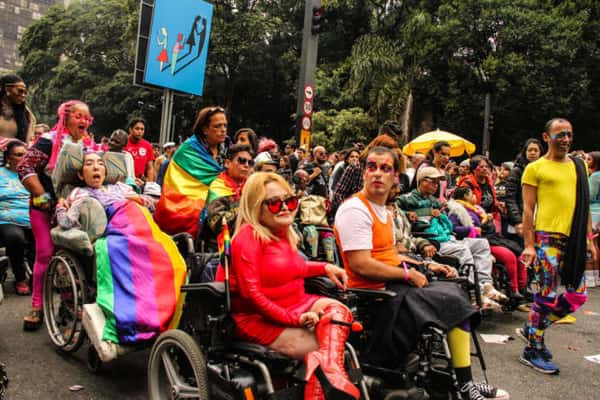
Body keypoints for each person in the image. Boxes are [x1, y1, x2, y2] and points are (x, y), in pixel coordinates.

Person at [335, 147, 509, 400]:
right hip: (375, 293)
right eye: (371, 167)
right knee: (451, 299)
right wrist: (408, 275)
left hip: (391, 283)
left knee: (456, 288)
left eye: (385, 168)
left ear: (396, 177)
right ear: (363, 173)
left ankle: (461, 379)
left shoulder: (383, 210)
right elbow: (362, 265)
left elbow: (391, 255)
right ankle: (463, 384)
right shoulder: (355, 210)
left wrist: (427, 266)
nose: (377, 174)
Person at [217, 172, 359, 400]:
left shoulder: (282, 233)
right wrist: (294, 320)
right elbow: (252, 295)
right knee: (324, 343)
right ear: (256, 207)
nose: (284, 208)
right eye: (273, 203)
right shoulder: (248, 237)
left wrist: (324, 268)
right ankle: (328, 375)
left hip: (295, 303)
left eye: (289, 200)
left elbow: (294, 268)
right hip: (258, 318)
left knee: (340, 312)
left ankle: (326, 373)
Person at [55, 152, 186, 343]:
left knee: (172, 261)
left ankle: (163, 318)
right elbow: (67, 223)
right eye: (89, 164)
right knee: (123, 259)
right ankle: (135, 322)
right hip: (115, 230)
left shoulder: (120, 187)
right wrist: (60, 206)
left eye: (100, 163)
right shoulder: (79, 193)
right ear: (81, 175)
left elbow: (150, 205)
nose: (96, 167)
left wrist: (140, 200)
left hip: (142, 226)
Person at [517, 118, 596, 374]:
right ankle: (532, 349)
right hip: (545, 238)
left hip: (574, 239)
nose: (565, 139)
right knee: (546, 297)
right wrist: (529, 245)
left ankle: (533, 328)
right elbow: (528, 210)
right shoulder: (535, 168)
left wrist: (588, 240)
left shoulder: (579, 166)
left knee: (577, 295)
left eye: (569, 134)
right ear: (546, 137)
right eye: (560, 134)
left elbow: (583, 205)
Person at [17, 100, 98, 330]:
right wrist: (42, 196)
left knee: (80, 254)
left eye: (87, 118)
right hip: (43, 207)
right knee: (45, 253)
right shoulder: (48, 141)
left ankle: (70, 303)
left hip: (71, 209)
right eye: (78, 116)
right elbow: (25, 167)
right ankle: (36, 306)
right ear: (66, 117)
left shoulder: (89, 145)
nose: (84, 121)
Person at [398, 167, 506, 310]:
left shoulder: (436, 201)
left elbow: (449, 226)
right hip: (431, 240)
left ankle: (486, 285)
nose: (436, 185)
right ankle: (475, 292)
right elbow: (397, 212)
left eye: (438, 182)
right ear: (421, 181)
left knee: (481, 243)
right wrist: (413, 214)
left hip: (447, 236)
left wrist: (440, 215)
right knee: (463, 250)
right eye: (433, 181)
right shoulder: (406, 199)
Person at [154, 106, 227, 237]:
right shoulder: (188, 150)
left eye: (225, 126)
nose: (223, 130)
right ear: (205, 129)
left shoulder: (227, 151)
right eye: (217, 126)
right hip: (182, 210)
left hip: (219, 207)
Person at [447, 187, 526, 302]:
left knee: (519, 251)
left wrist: (486, 219)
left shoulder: (476, 209)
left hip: (490, 238)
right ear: (465, 196)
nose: (475, 196)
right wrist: (471, 229)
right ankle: (513, 290)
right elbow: (453, 228)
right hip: (477, 240)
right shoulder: (457, 210)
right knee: (509, 256)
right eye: (472, 194)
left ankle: (522, 289)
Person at [203, 144, 253, 251]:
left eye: (250, 162)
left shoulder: (253, 187)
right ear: (227, 163)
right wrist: (253, 214)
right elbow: (218, 223)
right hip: (222, 249)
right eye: (242, 160)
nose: (247, 165)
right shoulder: (217, 187)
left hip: (251, 243)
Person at [0, 140, 33, 295]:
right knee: (15, 237)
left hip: (32, 216)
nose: (24, 158)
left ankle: (39, 277)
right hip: (7, 219)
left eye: (26, 155)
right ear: (8, 158)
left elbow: (43, 197)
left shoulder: (33, 175)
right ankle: (20, 278)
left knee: (43, 236)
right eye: (19, 155)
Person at [504, 139, 543, 237]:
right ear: (525, 152)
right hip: (522, 218)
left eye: (535, 150)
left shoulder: (544, 170)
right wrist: (517, 220)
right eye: (530, 150)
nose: (533, 153)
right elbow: (510, 198)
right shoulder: (517, 171)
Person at [0, 74, 35, 144]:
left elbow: (27, 143)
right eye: (20, 91)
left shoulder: (25, 113)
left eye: (25, 92)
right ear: (7, 89)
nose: (23, 95)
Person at [124, 117, 155, 186]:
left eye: (142, 129)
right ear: (130, 129)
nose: (140, 131)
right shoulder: (123, 142)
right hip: (124, 182)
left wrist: (149, 185)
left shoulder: (147, 145)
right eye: (137, 128)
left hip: (140, 183)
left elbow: (150, 168)